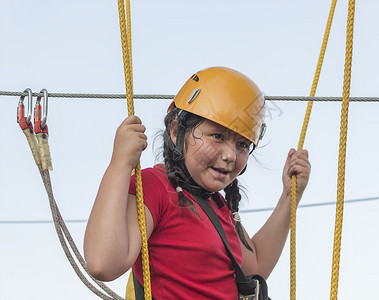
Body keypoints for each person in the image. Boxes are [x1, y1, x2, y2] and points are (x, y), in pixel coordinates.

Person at [84, 66, 311, 299]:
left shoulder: (218, 205)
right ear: (175, 131)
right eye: (217, 136)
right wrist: (119, 164)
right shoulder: (155, 186)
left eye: (242, 144)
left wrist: (289, 196)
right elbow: (103, 263)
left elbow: (256, 267)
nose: (230, 155)